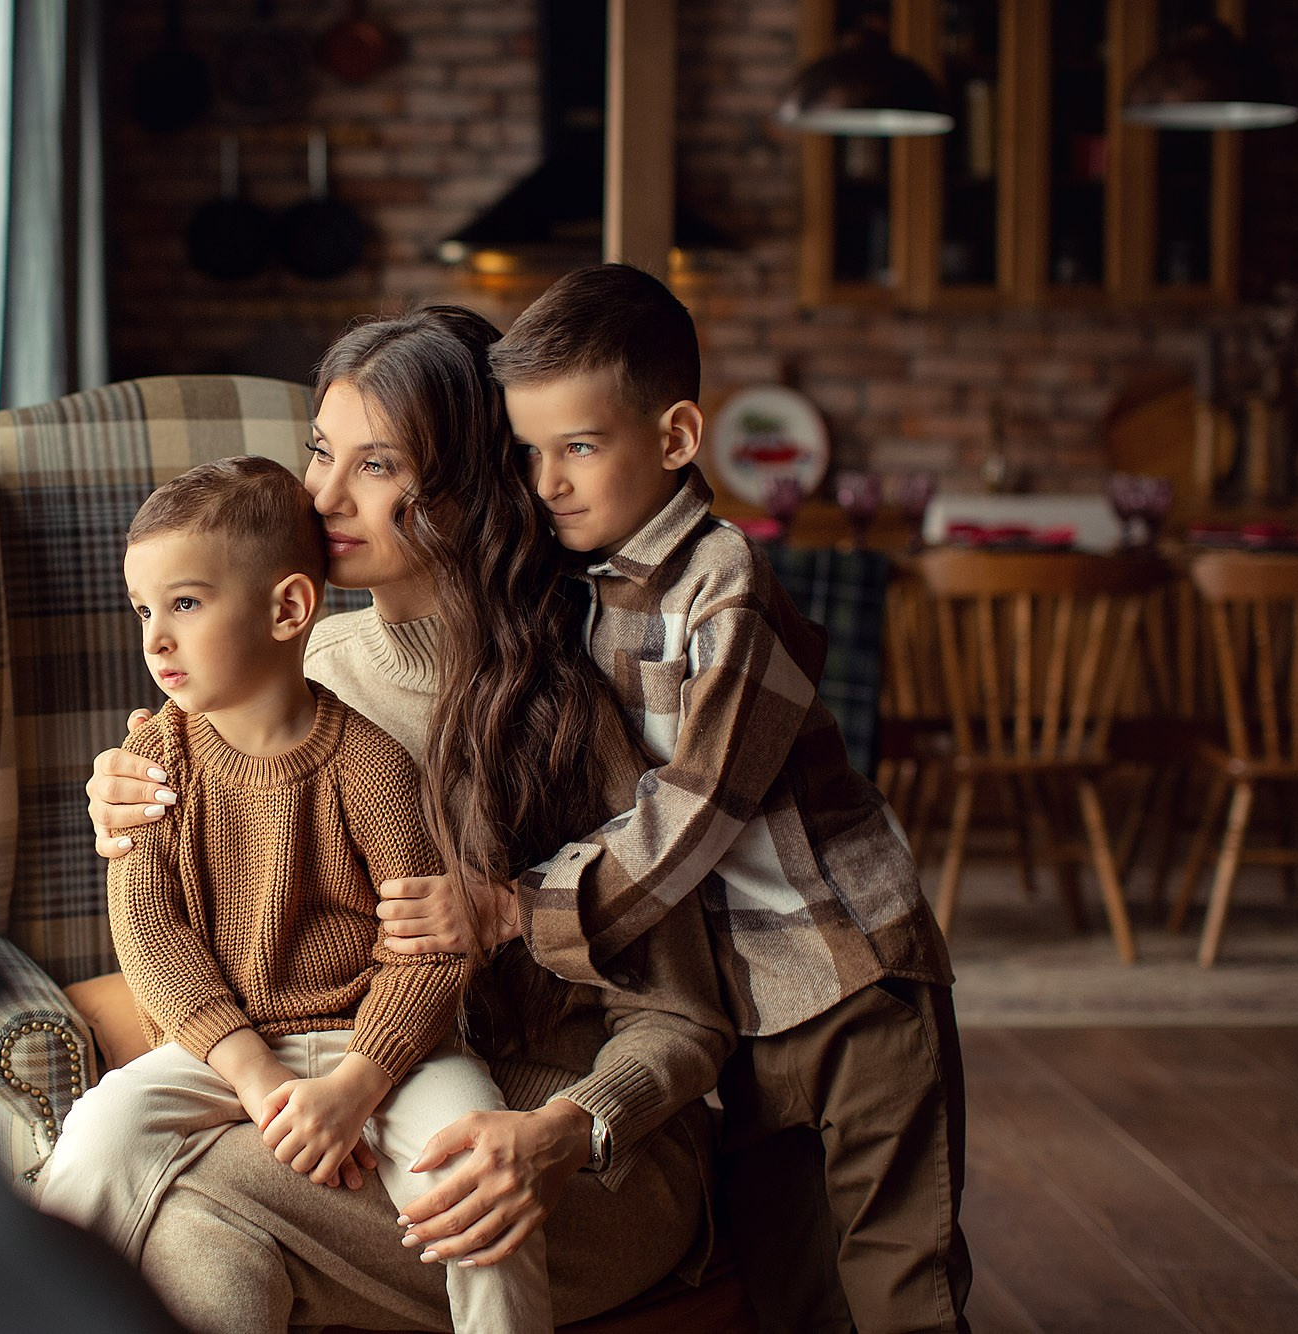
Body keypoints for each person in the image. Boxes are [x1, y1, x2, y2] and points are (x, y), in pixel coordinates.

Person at [87, 307, 735, 1334]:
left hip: (550, 1161)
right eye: (318, 450)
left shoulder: (569, 711)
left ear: (468, 486)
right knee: (192, 1225)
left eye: (377, 464)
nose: (322, 495)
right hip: (329, 1109)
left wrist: (562, 1133)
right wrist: (125, 797)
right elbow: (194, 917)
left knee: (162, 1175)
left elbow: (686, 1018)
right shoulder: (279, 676)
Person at [459, 262, 970, 1333]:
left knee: (896, 1281)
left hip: (848, 976)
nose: (546, 481)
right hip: (745, 1007)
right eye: (528, 451)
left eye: (580, 446)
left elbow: (693, 809)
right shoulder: (584, 594)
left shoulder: (726, 590)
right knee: (785, 1282)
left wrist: (523, 907)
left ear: (677, 436)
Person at [40, 454, 552, 1332]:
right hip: (223, 1049)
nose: (155, 638)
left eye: (186, 604)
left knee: (471, 1181)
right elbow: (150, 936)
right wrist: (255, 1075)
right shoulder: (156, 761)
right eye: (144, 611)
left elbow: (426, 946)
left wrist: (360, 1081)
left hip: (387, 1049)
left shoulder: (372, 765)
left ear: (287, 609)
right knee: (100, 1132)